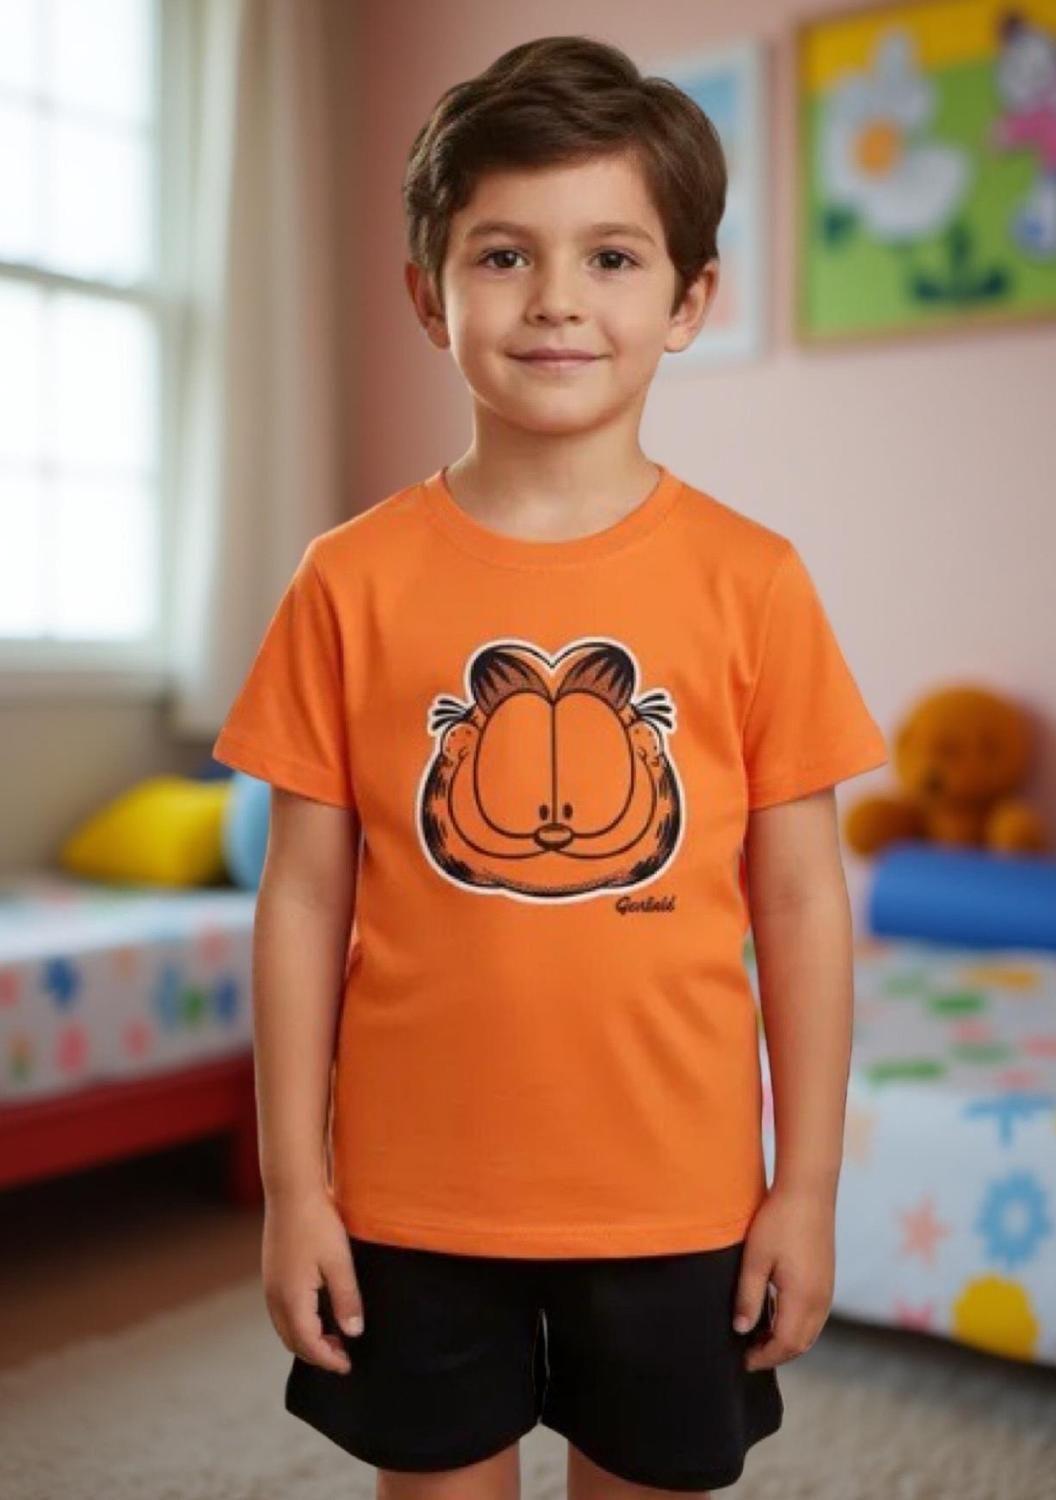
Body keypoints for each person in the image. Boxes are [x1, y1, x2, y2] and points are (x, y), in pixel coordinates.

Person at [211, 32, 889, 1500]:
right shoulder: (346, 580)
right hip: (410, 1194)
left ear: (689, 299)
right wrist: (295, 1188)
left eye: (612, 258)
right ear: (427, 293)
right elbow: (302, 898)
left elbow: (800, 902)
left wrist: (808, 1187)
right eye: (504, 254)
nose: (557, 299)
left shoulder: (755, 582)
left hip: (678, 1195)